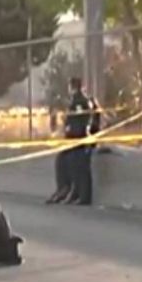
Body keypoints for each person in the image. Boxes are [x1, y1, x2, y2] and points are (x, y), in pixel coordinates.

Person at [47, 77, 97, 205]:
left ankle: (83, 196)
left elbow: (80, 121)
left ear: (73, 87)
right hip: (73, 138)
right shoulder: (75, 100)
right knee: (62, 160)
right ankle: (65, 189)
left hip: (79, 139)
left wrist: (72, 131)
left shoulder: (80, 101)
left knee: (80, 167)